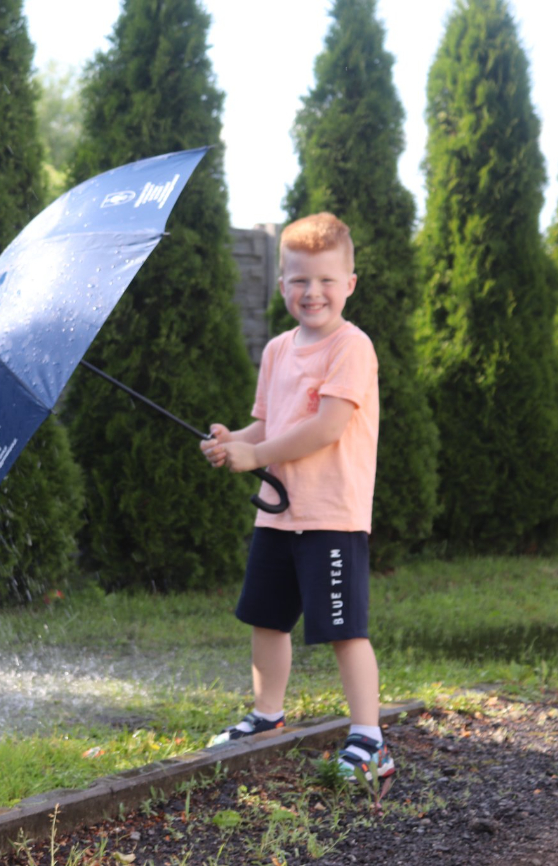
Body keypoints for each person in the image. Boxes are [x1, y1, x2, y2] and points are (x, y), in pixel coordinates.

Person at [200, 212, 390, 785]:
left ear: (349, 284)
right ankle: (267, 717)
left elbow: (327, 426)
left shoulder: (351, 346)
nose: (313, 292)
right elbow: (269, 423)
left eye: (327, 280)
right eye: (300, 280)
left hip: (331, 515)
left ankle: (370, 739)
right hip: (279, 514)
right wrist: (234, 441)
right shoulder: (278, 350)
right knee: (266, 618)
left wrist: (256, 454)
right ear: (281, 283)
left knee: (344, 628)